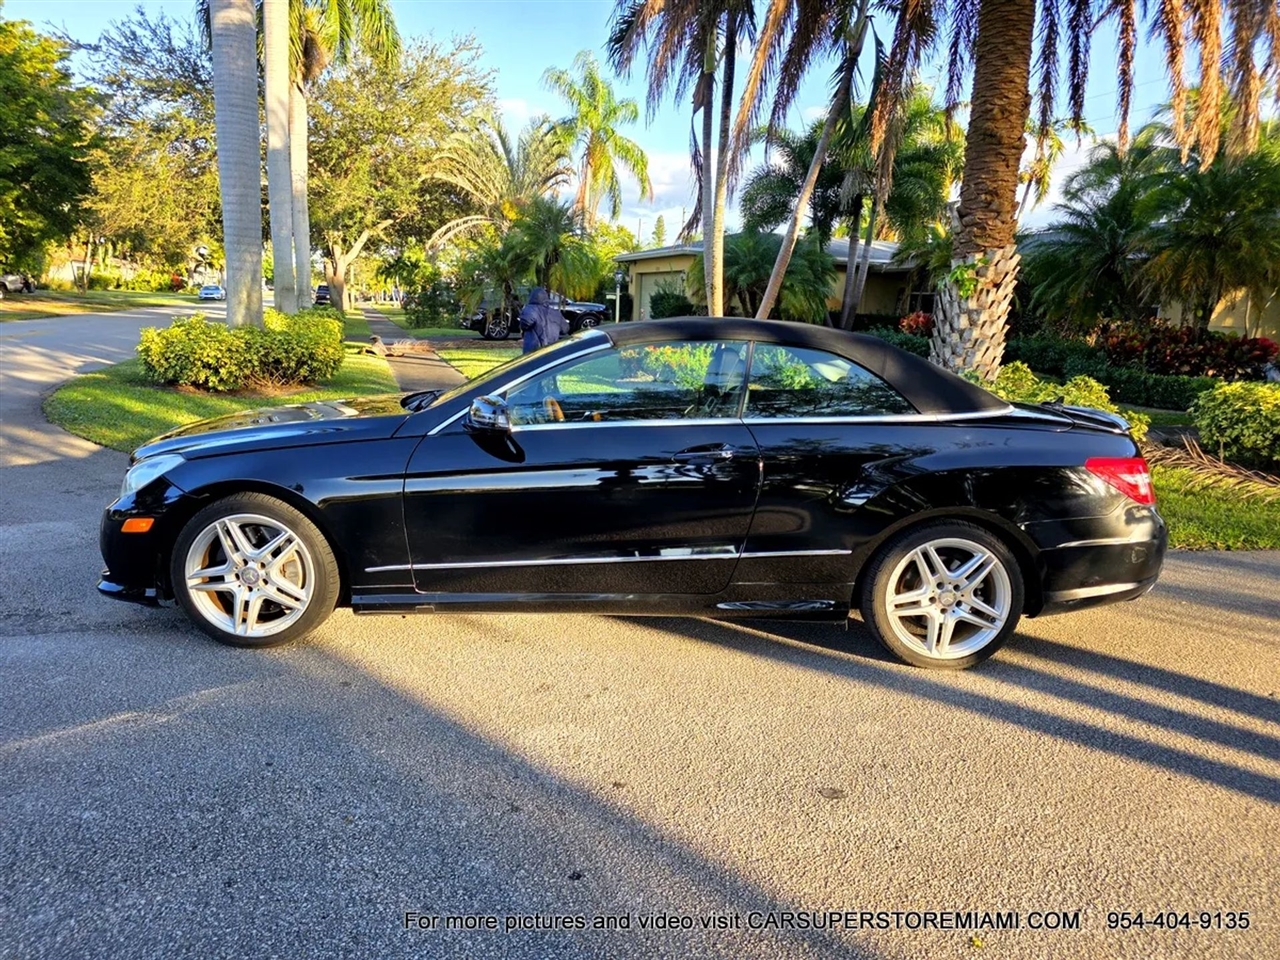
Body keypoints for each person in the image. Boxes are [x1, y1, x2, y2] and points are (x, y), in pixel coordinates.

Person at [518, 286, 568, 354]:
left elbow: (525, 323)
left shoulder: (530, 309)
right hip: (552, 350)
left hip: (533, 351)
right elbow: (565, 329)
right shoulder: (556, 313)